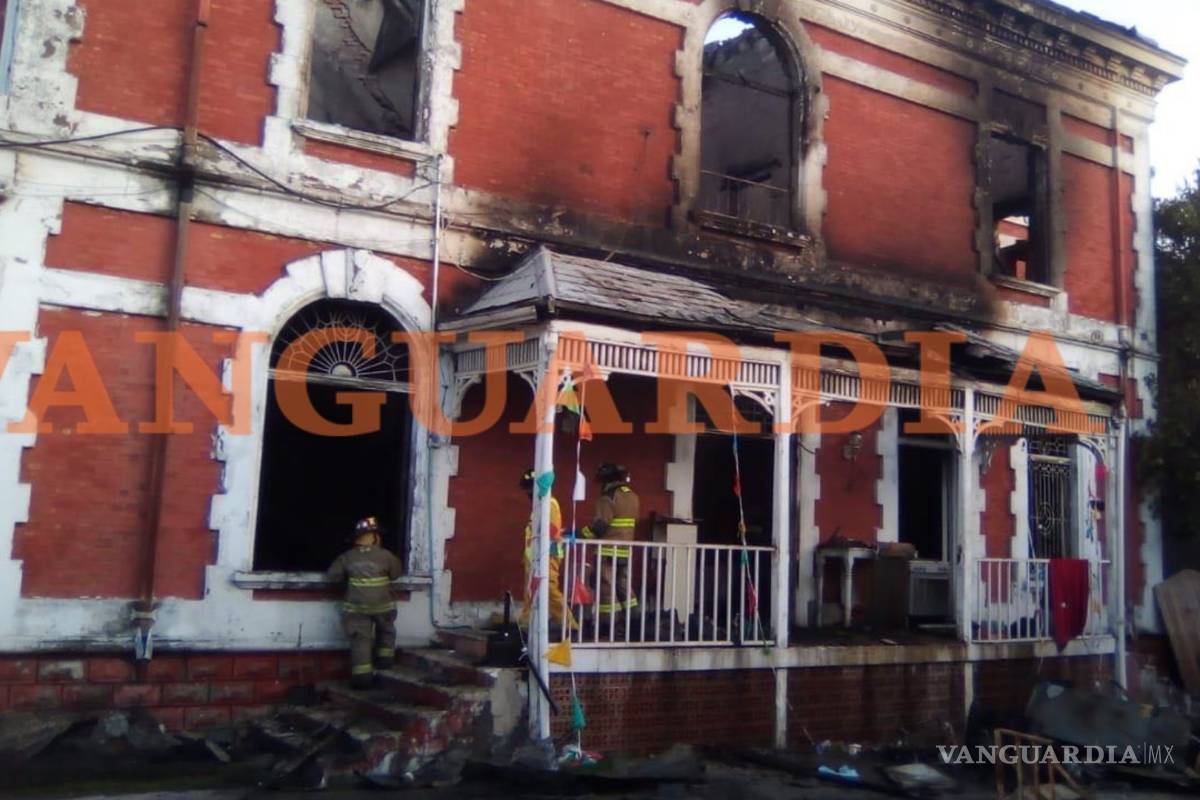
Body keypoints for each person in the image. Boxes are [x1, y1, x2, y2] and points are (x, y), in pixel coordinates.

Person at [326, 516, 403, 689]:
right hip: (383, 606)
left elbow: (333, 576)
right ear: (375, 537)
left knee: (360, 639)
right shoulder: (386, 556)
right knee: (386, 631)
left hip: (356, 608)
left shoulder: (347, 557)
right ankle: (385, 661)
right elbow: (396, 573)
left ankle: (362, 679)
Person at [519, 468, 578, 633]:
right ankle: (526, 624)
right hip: (535, 557)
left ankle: (570, 625)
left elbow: (551, 531)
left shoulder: (548, 504)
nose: (528, 493)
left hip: (548, 555)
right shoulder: (540, 505)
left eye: (529, 488)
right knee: (531, 591)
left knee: (549, 590)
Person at [581, 463, 639, 628]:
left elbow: (600, 526)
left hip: (607, 551)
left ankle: (607, 625)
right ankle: (635, 622)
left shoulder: (608, 497)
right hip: (625, 550)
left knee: (605, 588)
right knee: (624, 587)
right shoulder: (633, 496)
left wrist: (580, 534)